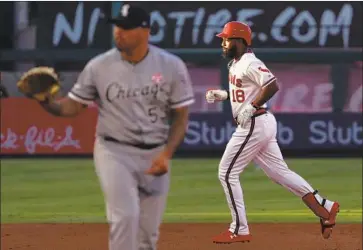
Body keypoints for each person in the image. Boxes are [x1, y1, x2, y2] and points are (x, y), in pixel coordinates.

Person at [38, 4, 195, 250]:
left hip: (155, 153)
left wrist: (166, 154)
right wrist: (46, 103)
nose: (119, 32)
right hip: (114, 150)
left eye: (126, 27)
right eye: (117, 26)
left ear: (145, 31)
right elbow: (72, 107)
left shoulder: (170, 66)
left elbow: (180, 118)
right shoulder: (99, 66)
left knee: (147, 235)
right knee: (126, 216)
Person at [205, 21, 340, 244]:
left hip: (255, 124)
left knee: (226, 173)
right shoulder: (237, 63)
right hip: (260, 123)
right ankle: (325, 207)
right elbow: (245, 91)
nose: (223, 43)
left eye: (226, 39)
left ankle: (239, 229)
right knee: (280, 173)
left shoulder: (249, 61)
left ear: (239, 41)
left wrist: (250, 107)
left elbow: (272, 85)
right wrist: (225, 96)